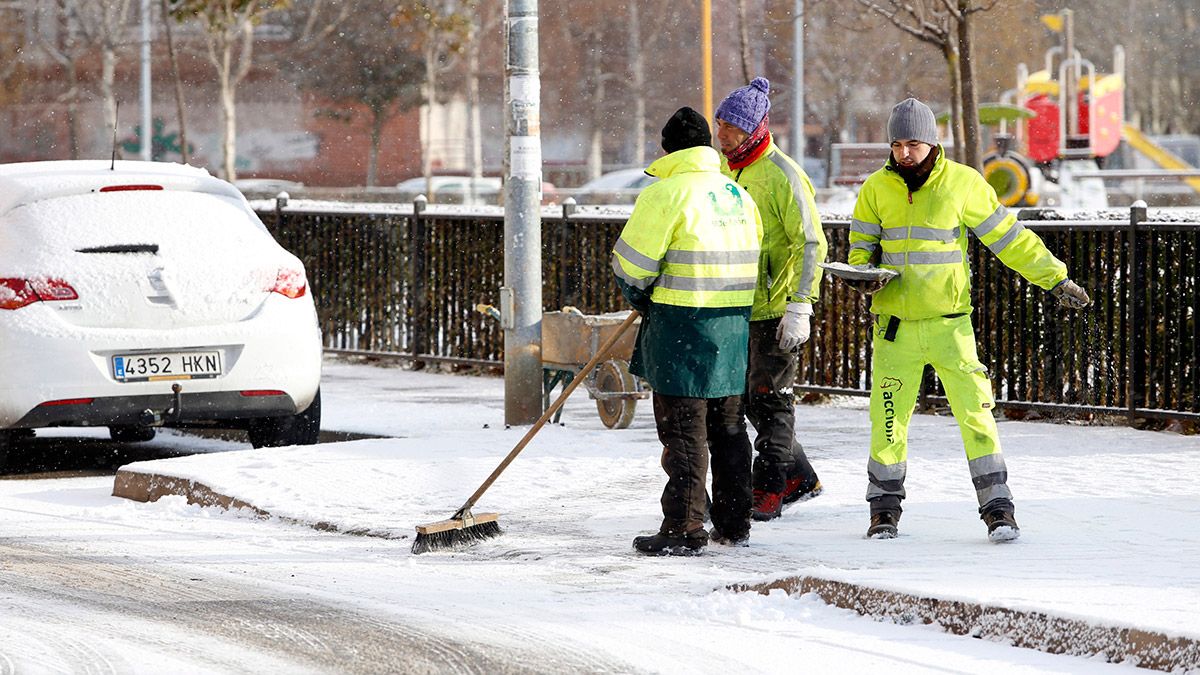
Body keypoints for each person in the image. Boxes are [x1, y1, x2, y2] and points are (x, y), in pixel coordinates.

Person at [846, 97, 1092, 542]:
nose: (904, 153)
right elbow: (859, 250)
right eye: (897, 143)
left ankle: (998, 509)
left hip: (950, 325)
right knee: (887, 422)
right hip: (894, 328)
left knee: (977, 415)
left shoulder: (963, 184)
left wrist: (1056, 279)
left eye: (914, 144)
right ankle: (883, 511)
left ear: (933, 142)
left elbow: (1010, 239)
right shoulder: (874, 189)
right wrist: (860, 274)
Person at [612, 106, 763, 555]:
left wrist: (642, 297)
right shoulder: (737, 193)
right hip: (732, 328)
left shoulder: (665, 194)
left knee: (684, 433)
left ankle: (683, 527)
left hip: (681, 327)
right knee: (729, 429)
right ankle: (735, 524)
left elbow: (632, 265)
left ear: (667, 149)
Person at [714, 77, 827, 521]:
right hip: (734, 309)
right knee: (741, 402)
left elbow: (810, 243)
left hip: (775, 309)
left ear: (754, 129)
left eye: (731, 127)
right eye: (719, 124)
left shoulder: (783, 175)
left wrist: (800, 304)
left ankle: (771, 488)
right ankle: (800, 476)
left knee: (771, 400)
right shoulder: (724, 172)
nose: (722, 134)